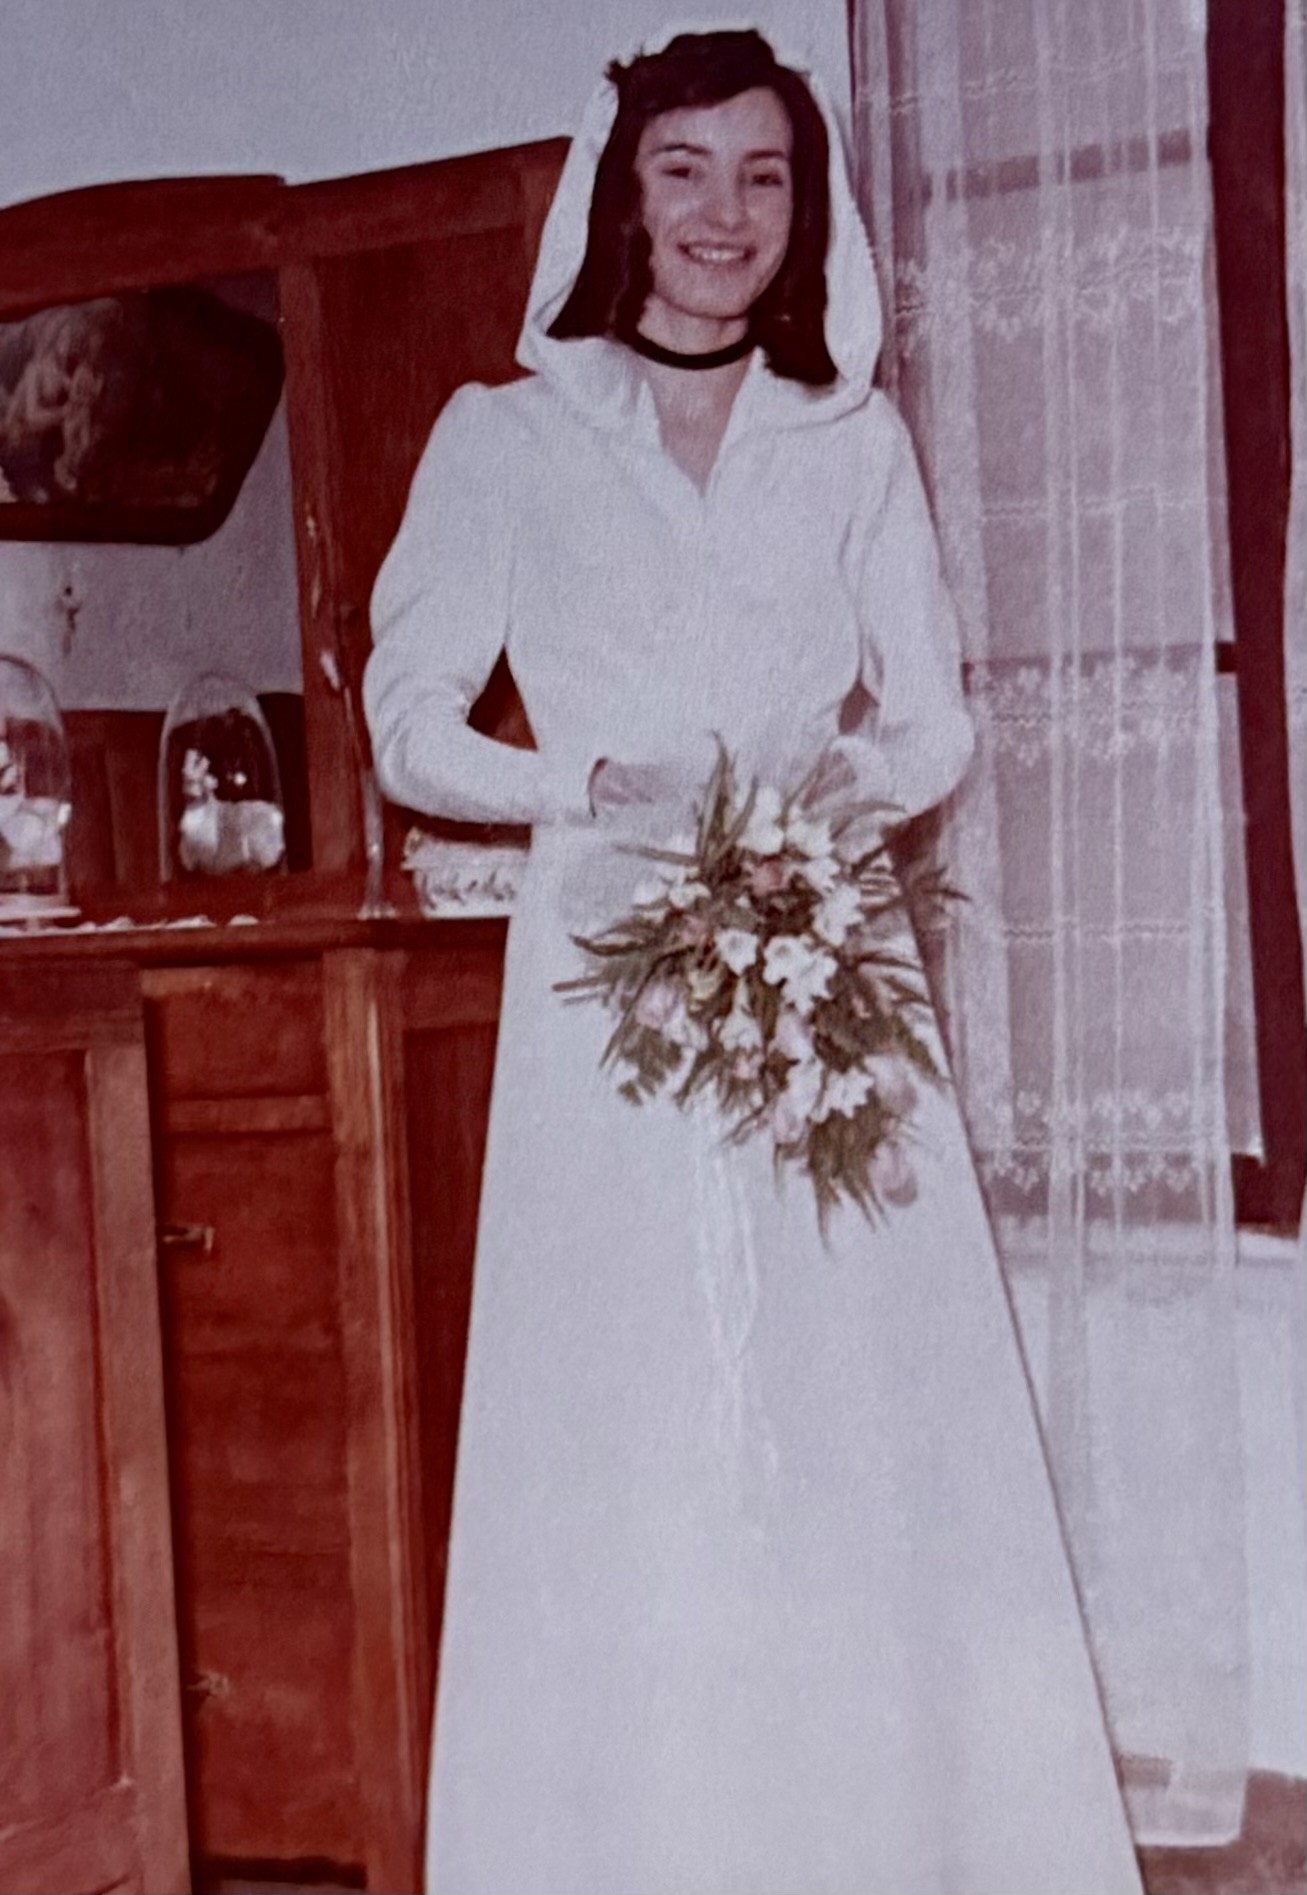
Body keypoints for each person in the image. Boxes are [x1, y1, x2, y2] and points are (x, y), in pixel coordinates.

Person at [364, 28, 1144, 1895]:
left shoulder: (849, 440)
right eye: (686, 169)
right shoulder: (507, 437)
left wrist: (829, 799)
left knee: (853, 1400)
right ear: (622, 197)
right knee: (626, 1407)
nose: (726, 213)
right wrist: (583, 787)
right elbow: (408, 725)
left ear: (809, 212)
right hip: (606, 994)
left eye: (765, 175)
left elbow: (935, 722)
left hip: (821, 972)